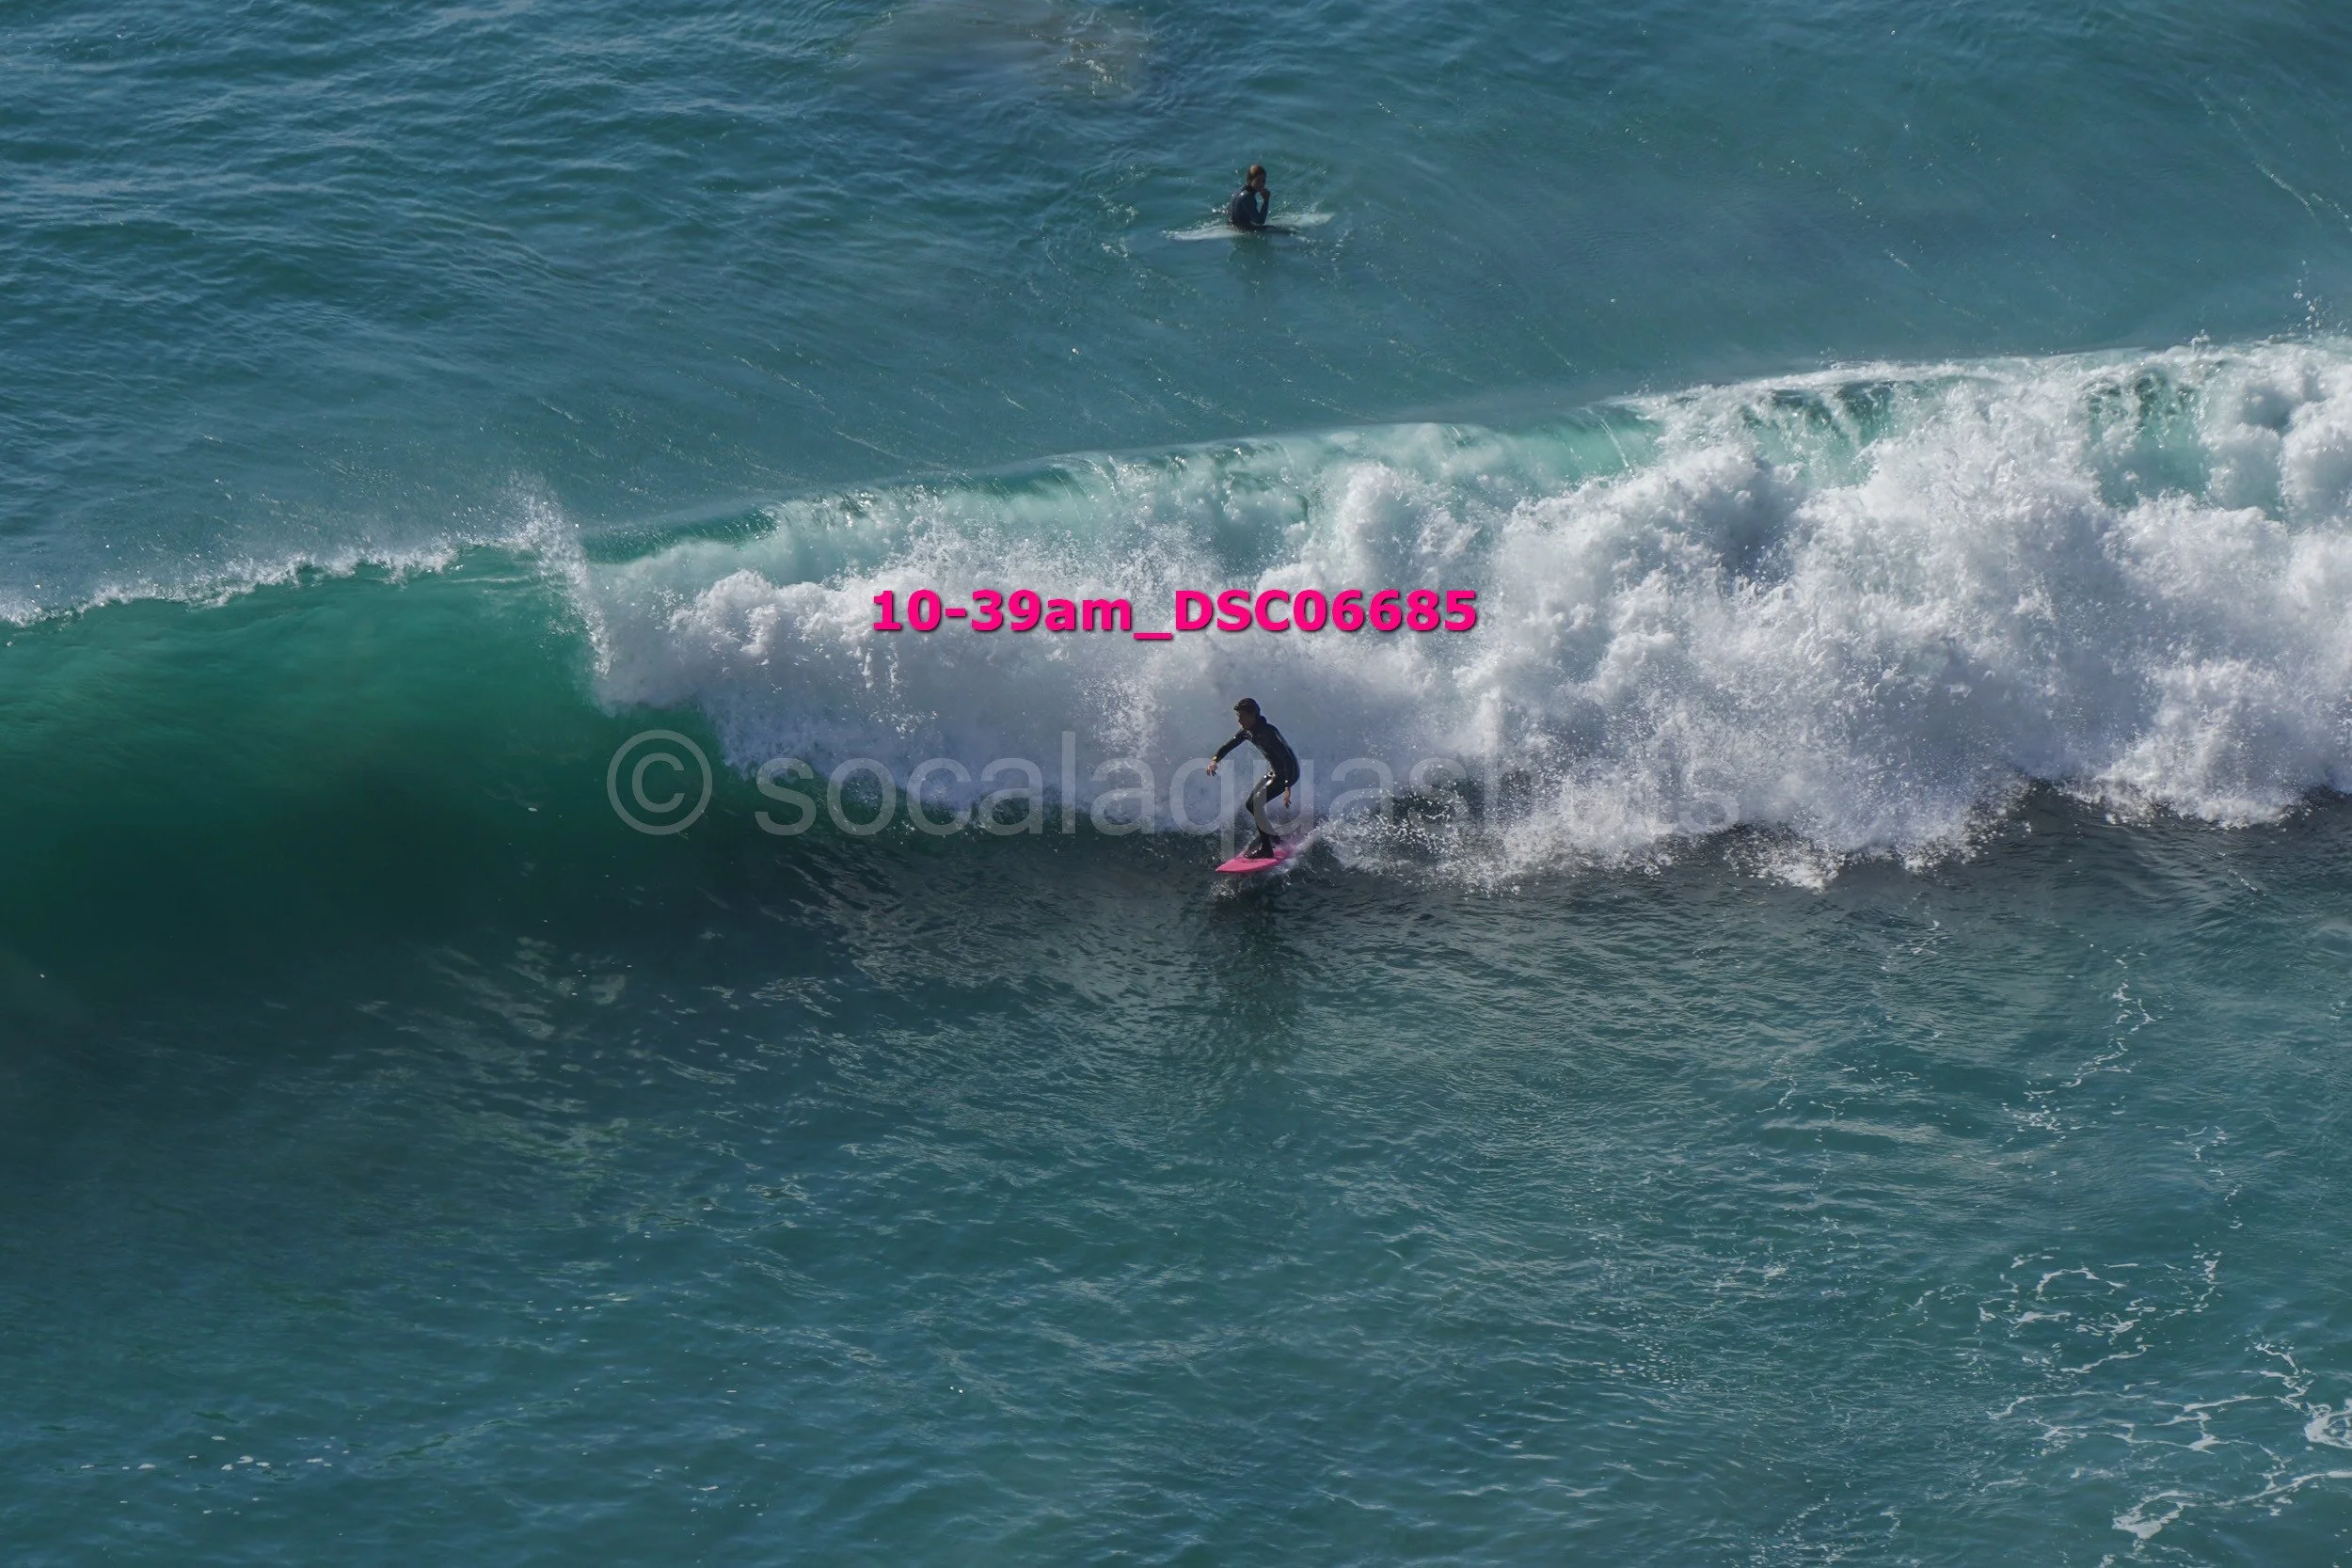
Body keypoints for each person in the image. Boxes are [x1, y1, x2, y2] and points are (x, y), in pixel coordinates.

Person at [1206, 697, 1299, 858]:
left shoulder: (1269, 732)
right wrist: (1215, 760)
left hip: (1288, 773)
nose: (1239, 720)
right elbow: (1229, 745)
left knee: (1256, 804)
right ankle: (1273, 837)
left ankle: (1267, 850)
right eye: (1238, 717)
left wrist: (1287, 786)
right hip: (1275, 772)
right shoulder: (1247, 732)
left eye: (1241, 716)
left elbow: (1288, 759)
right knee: (1251, 805)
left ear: (1253, 715)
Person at [1228, 165, 1270, 230]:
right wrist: (1266, 200)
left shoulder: (1240, 190)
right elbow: (1260, 221)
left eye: (1263, 180)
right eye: (1258, 181)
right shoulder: (1247, 196)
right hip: (1242, 229)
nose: (1261, 184)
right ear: (1250, 180)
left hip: (1233, 225)